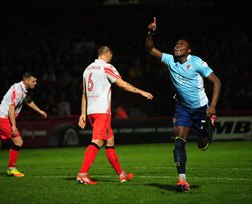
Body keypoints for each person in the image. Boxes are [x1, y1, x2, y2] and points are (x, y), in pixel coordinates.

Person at [145, 17, 221, 191]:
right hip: (182, 108)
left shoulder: (196, 62)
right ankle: (182, 180)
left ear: (189, 50)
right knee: (179, 141)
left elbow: (216, 82)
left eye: (181, 45)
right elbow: (149, 48)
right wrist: (150, 32)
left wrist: (213, 106)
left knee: (202, 144)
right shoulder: (170, 60)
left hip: (201, 108)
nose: (177, 46)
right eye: (176, 44)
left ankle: (209, 125)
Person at [77, 45, 153, 184]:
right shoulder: (107, 67)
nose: (111, 59)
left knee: (110, 139)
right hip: (102, 111)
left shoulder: (87, 69)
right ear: (107, 54)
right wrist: (141, 92)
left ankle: (121, 174)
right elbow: (122, 84)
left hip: (91, 111)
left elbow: (84, 94)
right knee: (98, 141)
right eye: (111, 56)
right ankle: (83, 173)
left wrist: (82, 114)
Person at [0, 72, 47, 178]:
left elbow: (28, 101)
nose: (35, 83)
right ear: (26, 81)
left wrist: (39, 111)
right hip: (2, 117)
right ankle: (11, 169)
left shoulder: (22, 89)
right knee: (18, 141)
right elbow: (11, 108)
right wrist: (14, 126)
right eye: (33, 81)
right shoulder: (18, 91)